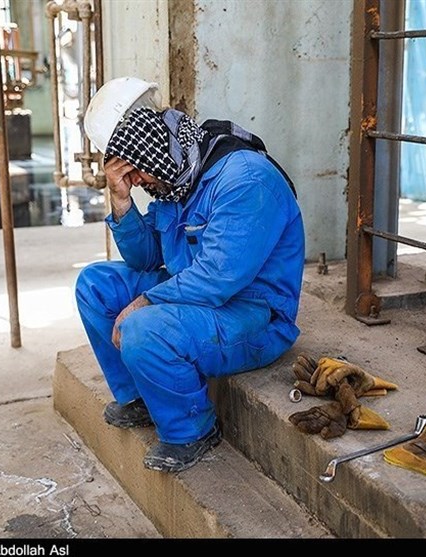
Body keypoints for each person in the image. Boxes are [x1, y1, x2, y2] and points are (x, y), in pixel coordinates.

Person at [74, 76, 305, 473]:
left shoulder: (245, 180)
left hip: (252, 314)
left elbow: (217, 278)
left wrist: (145, 302)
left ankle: (192, 430)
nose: (137, 180)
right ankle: (142, 396)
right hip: (197, 299)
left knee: (144, 328)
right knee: (95, 285)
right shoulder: (177, 181)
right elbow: (146, 258)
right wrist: (121, 201)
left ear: (151, 146)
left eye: (135, 170)